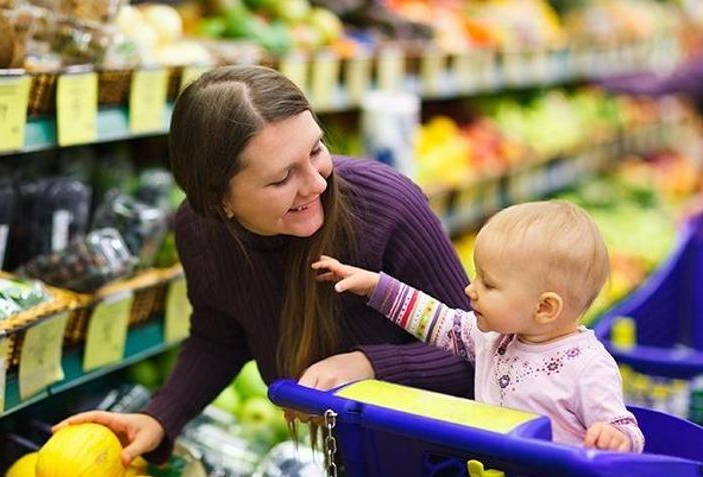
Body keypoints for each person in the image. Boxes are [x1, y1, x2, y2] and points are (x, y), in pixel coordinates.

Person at [53, 65, 475, 464]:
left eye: (316, 150)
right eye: (281, 178)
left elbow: (482, 353)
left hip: (440, 452)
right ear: (222, 201)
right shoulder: (200, 230)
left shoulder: (386, 205)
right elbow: (219, 336)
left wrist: (370, 367)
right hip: (342, 453)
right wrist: (162, 416)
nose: (316, 182)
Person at [312, 200, 645, 452]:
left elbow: (625, 427)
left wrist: (615, 438)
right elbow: (435, 319)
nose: (470, 289)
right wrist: (375, 286)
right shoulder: (493, 337)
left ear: (544, 307)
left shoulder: (586, 366)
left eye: (488, 284)